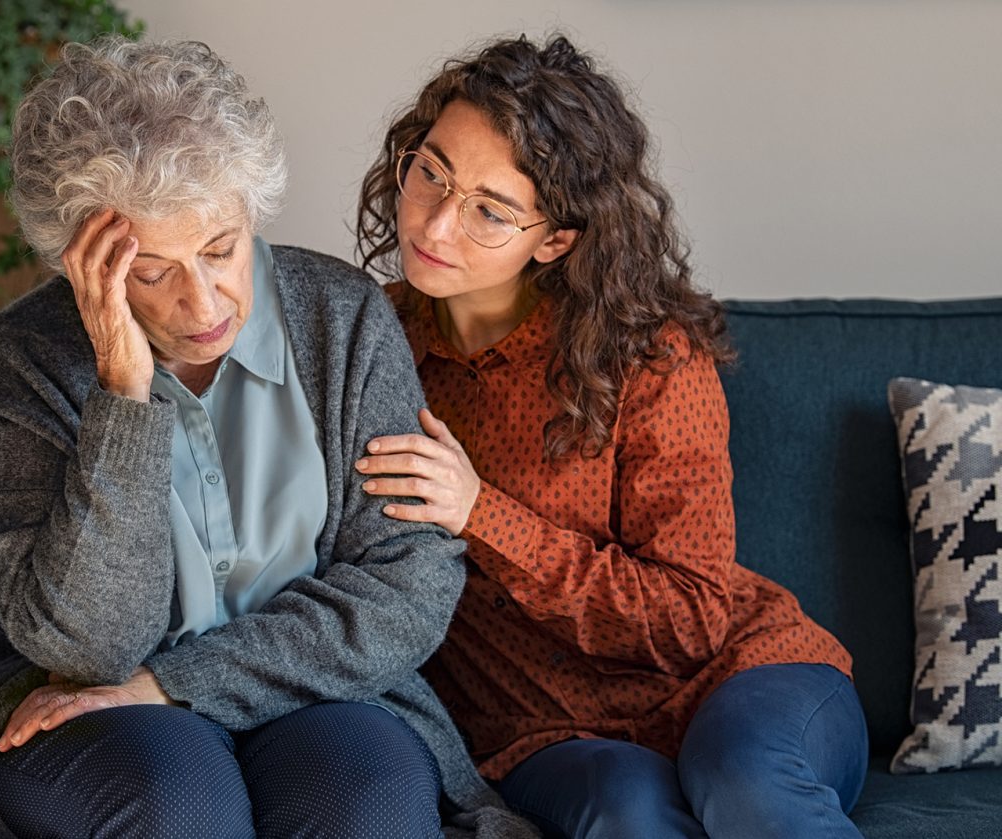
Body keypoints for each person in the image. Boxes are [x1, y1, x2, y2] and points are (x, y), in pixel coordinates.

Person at [0, 36, 538, 839]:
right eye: (150, 271)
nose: (203, 304)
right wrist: (123, 396)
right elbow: (90, 647)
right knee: (182, 807)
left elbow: (403, 589)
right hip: (75, 701)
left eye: (219, 249)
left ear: (250, 212)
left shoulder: (340, 320)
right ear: (82, 263)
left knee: (366, 806)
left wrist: (174, 683)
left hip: (322, 689)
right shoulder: (14, 366)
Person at [355, 34, 869, 839]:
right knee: (629, 813)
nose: (439, 222)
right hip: (541, 731)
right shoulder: (366, 343)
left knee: (747, 787)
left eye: (490, 209)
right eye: (431, 172)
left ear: (554, 239)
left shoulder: (648, 356)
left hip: (741, 678)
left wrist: (480, 511)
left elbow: (694, 616)